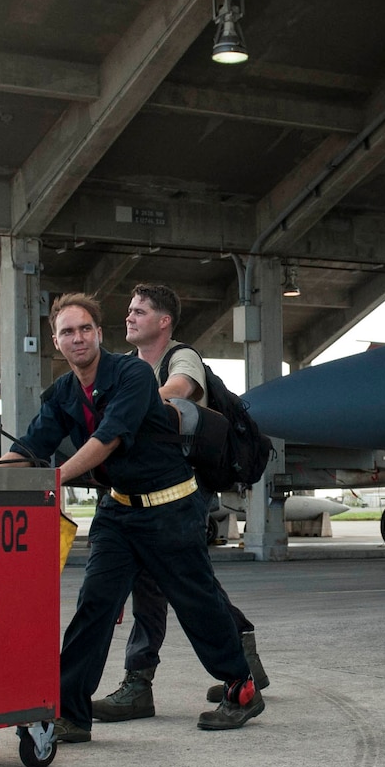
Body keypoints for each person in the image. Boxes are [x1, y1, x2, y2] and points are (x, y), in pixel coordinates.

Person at [0, 292, 264, 739]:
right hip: (119, 513)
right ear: (56, 343)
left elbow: (109, 438)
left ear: (99, 334)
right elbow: (28, 448)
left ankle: (241, 687)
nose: (77, 338)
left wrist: (54, 478)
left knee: (197, 604)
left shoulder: (133, 374)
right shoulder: (64, 392)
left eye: (85, 329)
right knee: (94, 607)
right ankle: (70, 713)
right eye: (67, 332)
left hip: (170, 509)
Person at [92, 283, 271, 722]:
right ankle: (238, 652)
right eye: (129, 310)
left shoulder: (179, 356)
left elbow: (181, 389)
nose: (130, 317)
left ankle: (140, 684)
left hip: (182, 490)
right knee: (181, 582)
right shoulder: (127, 366)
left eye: (139, 311)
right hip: (142, 491)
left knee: (168, 583)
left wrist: (132, 406)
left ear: (163, 321)